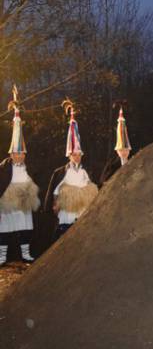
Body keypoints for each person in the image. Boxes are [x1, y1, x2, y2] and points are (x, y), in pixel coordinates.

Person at [44, 107, 98, 241]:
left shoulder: (86, 171)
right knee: (65, 237)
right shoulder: (62, 172)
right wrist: (55, 204)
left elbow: (91, 188)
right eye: (74, 155)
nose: (77, 157)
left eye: (79, 155)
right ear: (69, 155)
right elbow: (55, 191)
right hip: (67, 209)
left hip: (82, 209)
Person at [0, 107, 40, 265]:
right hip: (7, 201)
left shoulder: (28, 167)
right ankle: (2, 256)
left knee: (25, 227)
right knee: (4, 229)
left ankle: (26, 254)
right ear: (11, 154)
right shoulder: (3, 167)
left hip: (23, 201)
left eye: (22, 154)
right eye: (16, 154)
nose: (19, 157)